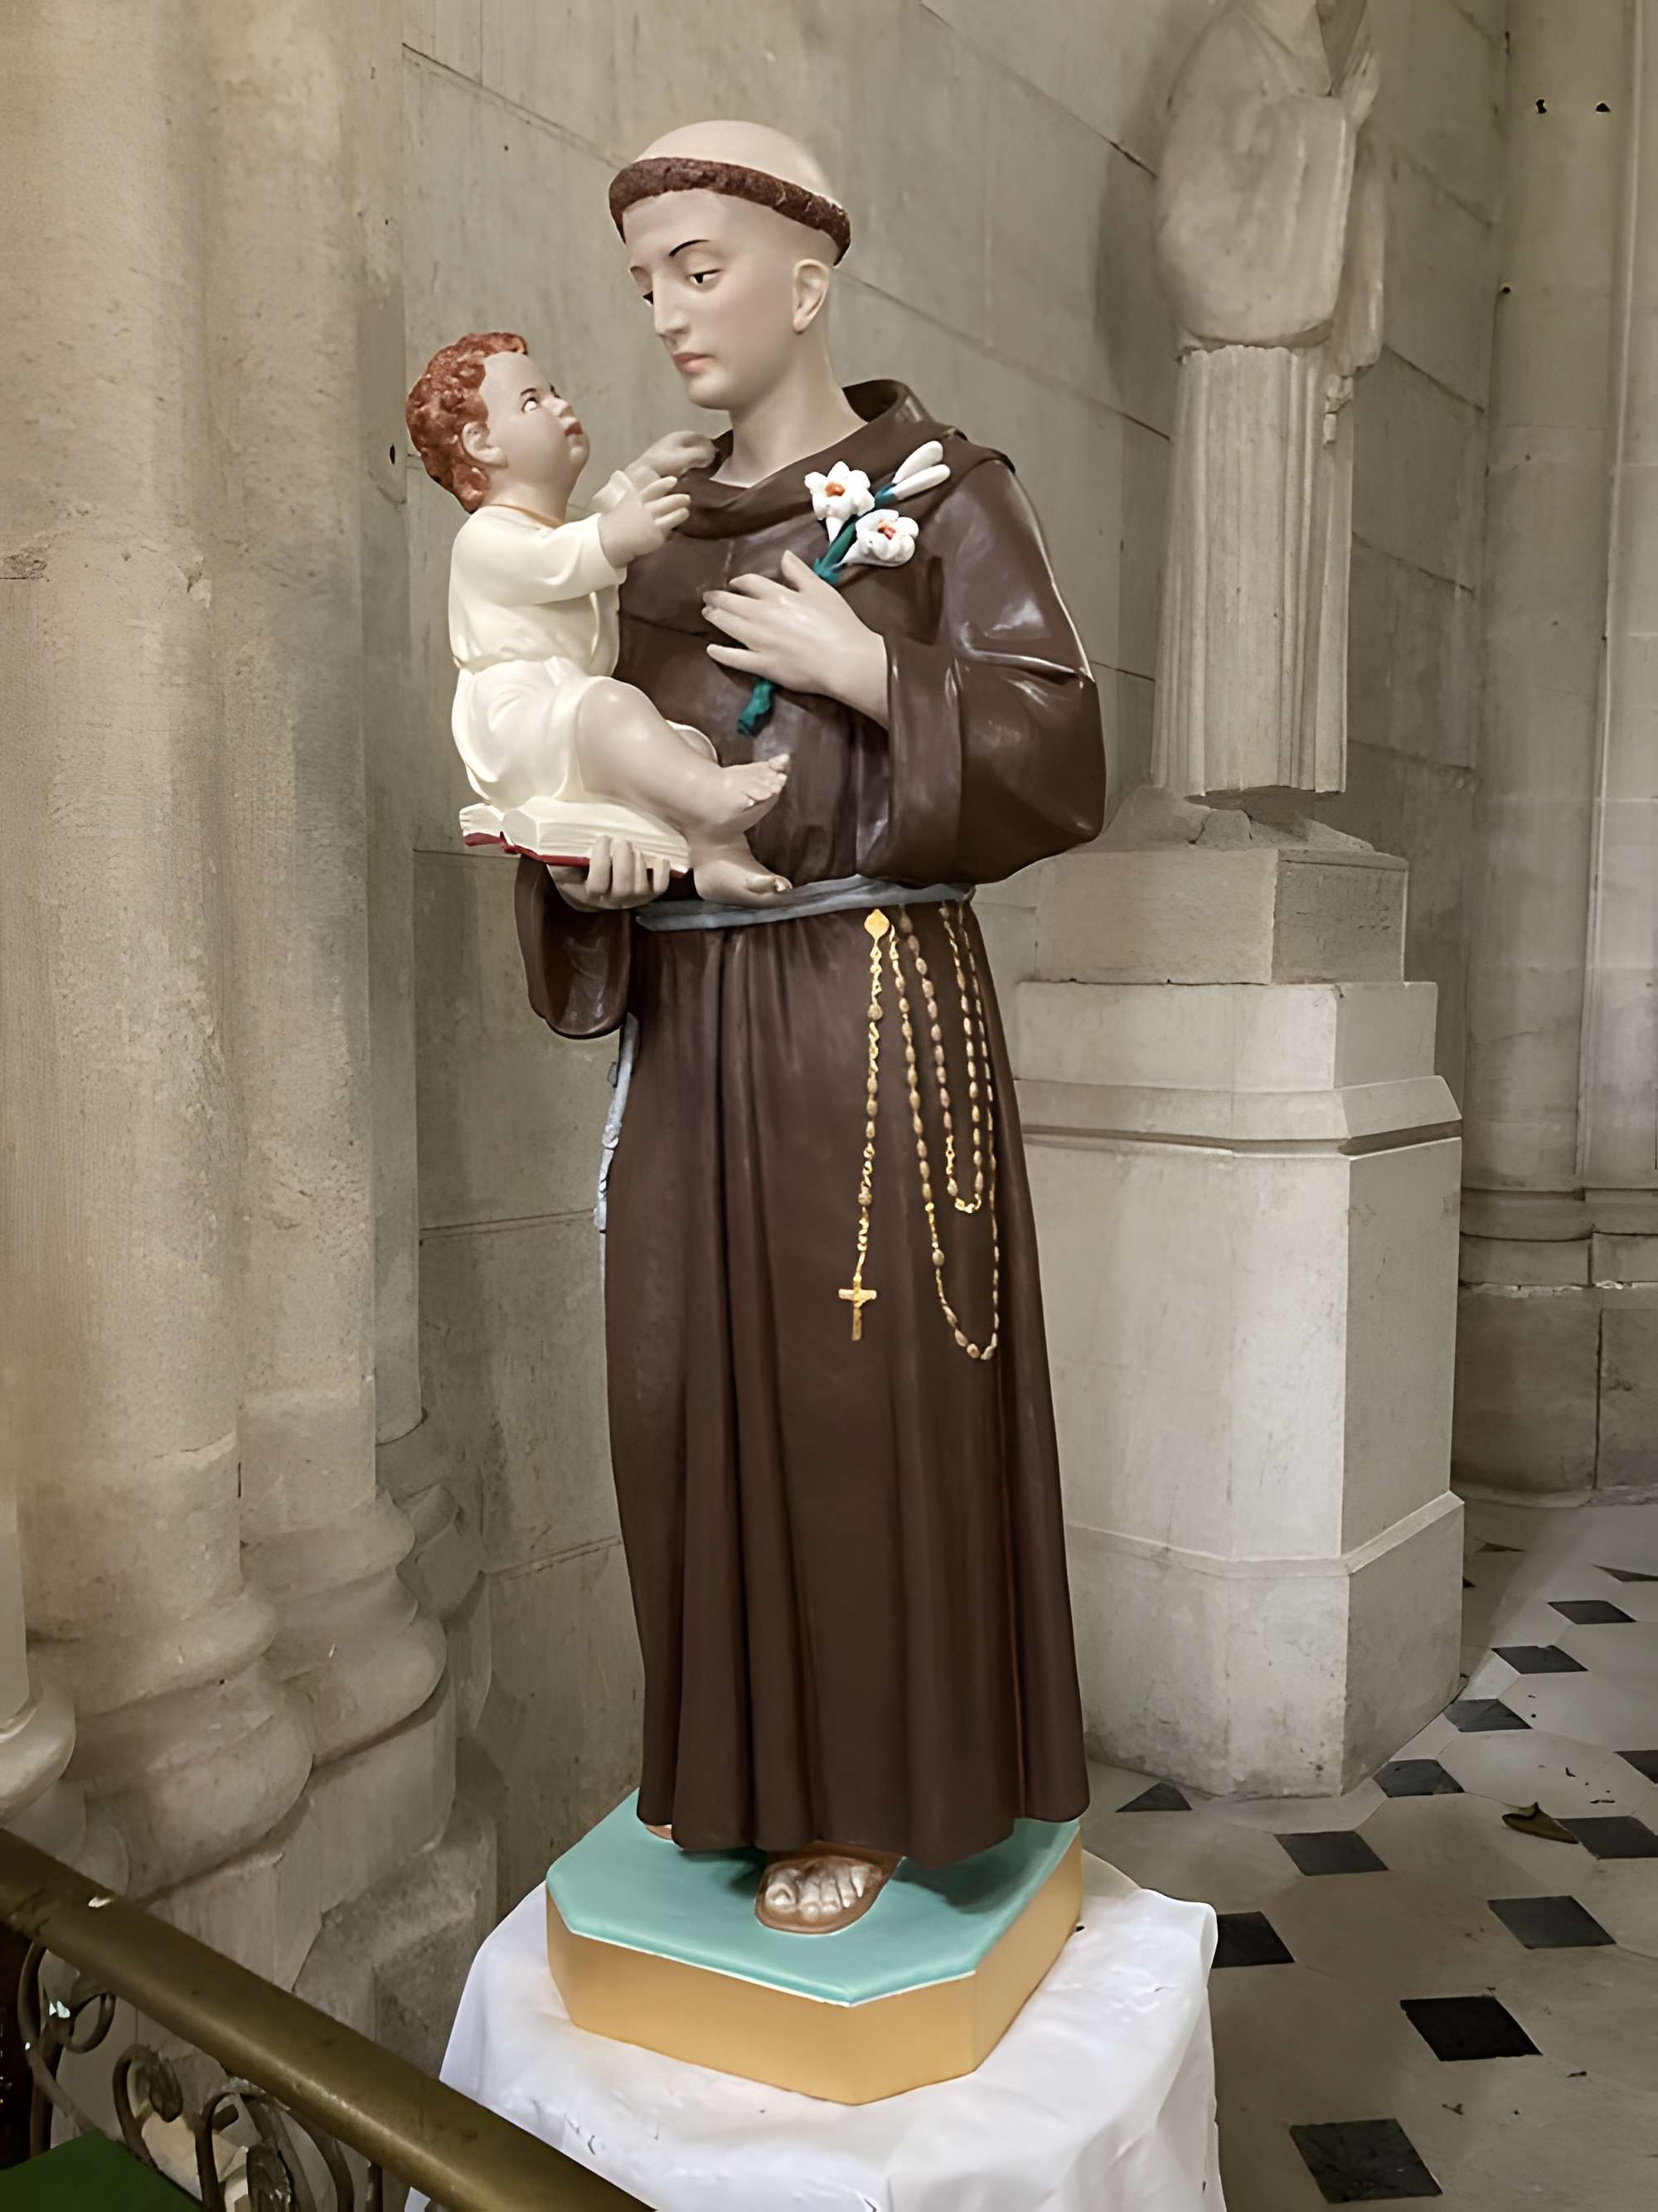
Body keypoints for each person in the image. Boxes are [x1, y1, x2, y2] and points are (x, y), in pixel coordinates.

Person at [515, 121, 1106, 1932]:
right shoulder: (655, 528)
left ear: (806, 279)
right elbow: (582, 745)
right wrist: (593, 867)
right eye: (646, 283)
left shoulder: (941, 490)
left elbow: (1064, 748)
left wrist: (870, 669)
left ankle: (864, 1782)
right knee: (685, 1384)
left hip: (865, 1003)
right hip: (696, 1016)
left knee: (854, 1400)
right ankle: (743, 1771)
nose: (671, 313)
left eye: (702, 269)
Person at [407, 330, 792, 902]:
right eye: (532, 401)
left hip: (568, 710)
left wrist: (644, 476)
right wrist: (617, 535)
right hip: (517, 721)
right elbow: (564, 559)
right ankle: (712, 798)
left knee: (683, 744)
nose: (562, 405)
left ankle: (718, 853)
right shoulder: (486, 539)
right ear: (483, 442)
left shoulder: (555, 528)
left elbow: (584, 533)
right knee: (614, 707)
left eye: (555, 391)